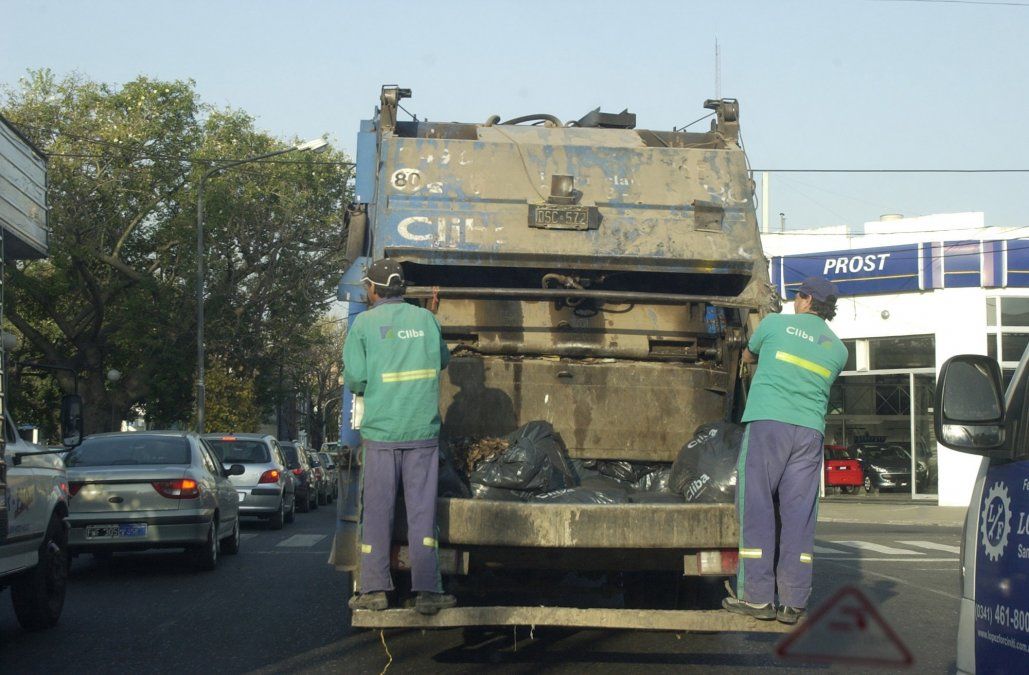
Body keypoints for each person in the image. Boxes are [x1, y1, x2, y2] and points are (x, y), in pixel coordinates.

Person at [723, 276, 848, 625]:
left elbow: (748, 354)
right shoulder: (839, 350)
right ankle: (793, 601)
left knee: (758, 507)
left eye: (798, 296)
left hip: (769, 424)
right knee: (799, 515)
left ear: (806, 300)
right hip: (809, 434)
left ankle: (757, 598)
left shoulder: (775, 324)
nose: (795, 300)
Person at [343, 259, 456, 615]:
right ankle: (428, 592)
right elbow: (442, 360)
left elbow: (356, 380)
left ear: (373, 290)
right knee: (422, 513)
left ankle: (375, 590)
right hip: (422, 432)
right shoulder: (426, 320)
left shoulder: (364, 324)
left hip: (382, 433)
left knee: (378, 512)